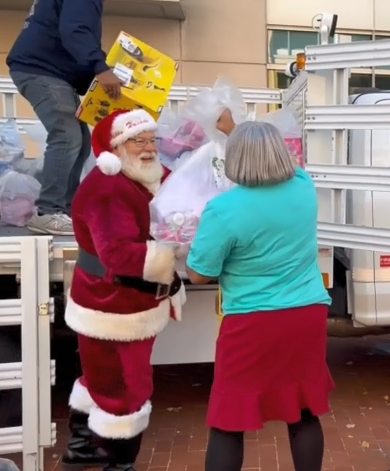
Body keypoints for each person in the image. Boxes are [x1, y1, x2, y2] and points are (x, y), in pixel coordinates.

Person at [185, 122, 333, 471]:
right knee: (303, 410)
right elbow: (282, 162)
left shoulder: (224, 209)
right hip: (307, 313)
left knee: (228, 419)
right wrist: (244, 130)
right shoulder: (303, 186)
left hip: (252, 320)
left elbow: (199, 272)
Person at [63, 109, 186, 471]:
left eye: (152, 140)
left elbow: (175, 185)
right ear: (117, 147)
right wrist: (170, 261)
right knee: (126, 384)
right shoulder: (108, 187)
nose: (149, 149)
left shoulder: (141, 173)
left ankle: (81, 448)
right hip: (115, 304)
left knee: (101, 376)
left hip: (118, 300)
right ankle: (117, 464)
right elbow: (117, 254)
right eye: (138, 141)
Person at [6, 0, 124, 236]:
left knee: (80, 139)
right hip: (40, 69)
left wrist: (97, 75)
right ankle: (47, 211)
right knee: (67, 135)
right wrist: (100, 68)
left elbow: (72, 37)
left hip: (48, 70)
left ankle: (67, 210)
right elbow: (75, 30)